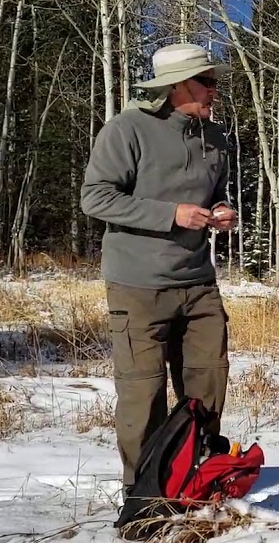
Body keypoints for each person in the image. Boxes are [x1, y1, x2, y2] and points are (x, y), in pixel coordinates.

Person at [80, 42, 237, 504]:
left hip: (198, 283)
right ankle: (144, 495)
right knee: (142, 395)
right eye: (205, 82)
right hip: (138, 285)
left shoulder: (216, 138)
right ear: (175, 87)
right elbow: (96, 198)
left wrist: (221, 210)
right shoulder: (127, 129)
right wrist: (171, 214)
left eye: (214, 82)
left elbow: (216, 193)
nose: (214, 91)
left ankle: (197, 476)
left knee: (208, 384)